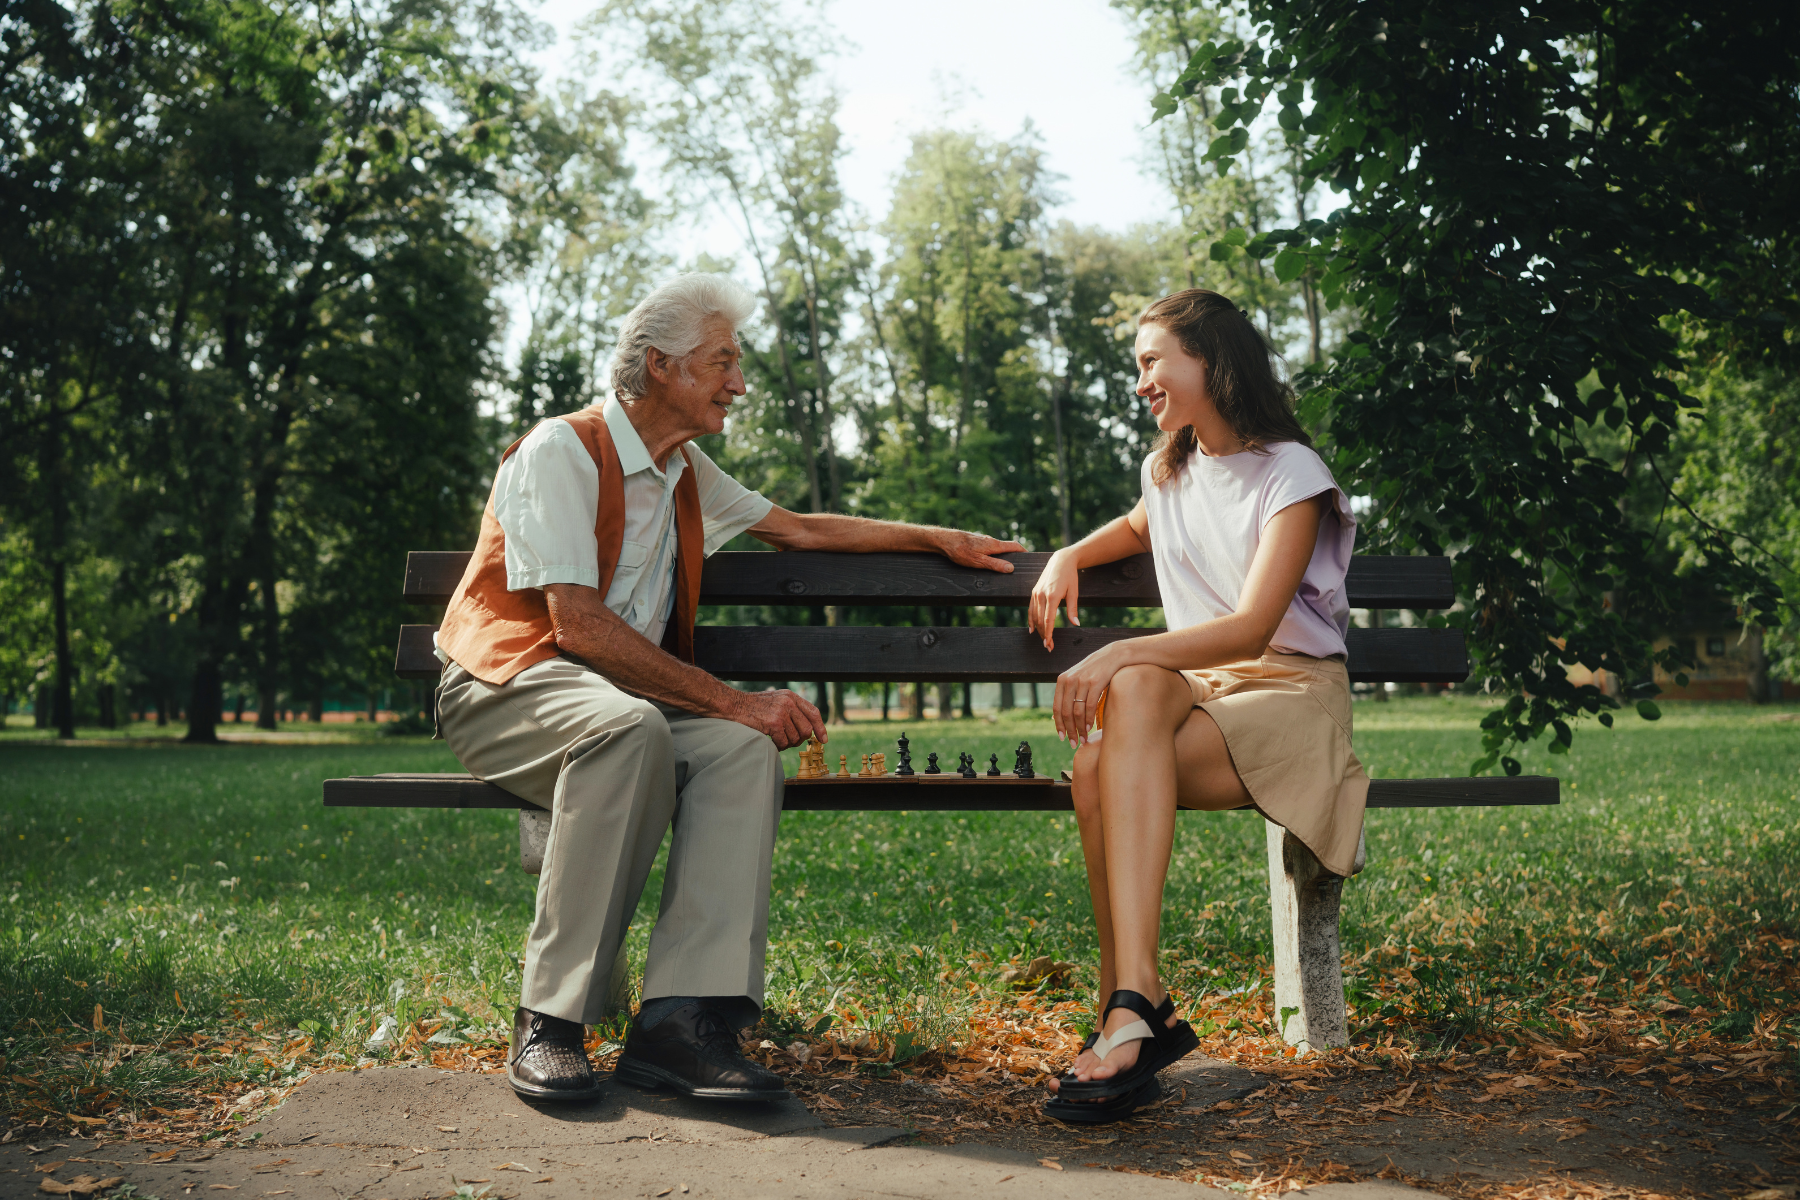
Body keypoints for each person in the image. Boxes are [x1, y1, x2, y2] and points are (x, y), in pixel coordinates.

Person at [434, 274, 1023, 1104]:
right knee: (638, 730)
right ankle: (551, 1019)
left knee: (740, 751)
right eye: (723, 363)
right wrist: (735, 696)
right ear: (660, 367)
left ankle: (681, 1024)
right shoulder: (560, 450)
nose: (738, 384)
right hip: (506, 689)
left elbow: (802, 529)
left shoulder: (683, 470)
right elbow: (576, 625)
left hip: (617, 709)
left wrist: (937, 537)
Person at [1026, 289, 1367, 1123]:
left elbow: (1253, 625)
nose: (1140, 381)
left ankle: (1129, 1007)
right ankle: (1135, 1004)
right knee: (1112, 733)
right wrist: (1071, 552)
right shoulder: (1169, 465)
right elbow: (1144, 525)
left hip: (1290, 694)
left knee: (1113, 730)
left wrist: (1120, 647)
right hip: (1209, 695)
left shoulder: (1293, 473)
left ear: (1211, 362)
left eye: (1152, 362)